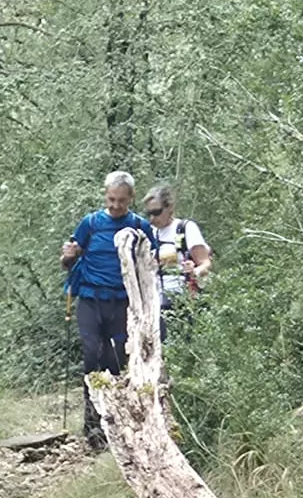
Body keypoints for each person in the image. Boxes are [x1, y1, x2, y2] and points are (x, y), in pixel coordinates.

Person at [62, 170, 157, 450]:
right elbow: (68, 259)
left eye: (122, 201)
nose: (116, 205)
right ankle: (92, 427)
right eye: (111, 199)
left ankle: (115, 423)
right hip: (90, 300)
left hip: (123, 302)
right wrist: (67, 256)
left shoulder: (139, 226)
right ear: (105, 196)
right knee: (92, 355)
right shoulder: (90, 223)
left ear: (131, 198)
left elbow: (150, 264)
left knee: (116, 362)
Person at [144, 183, 212, 322]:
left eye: (157, 212)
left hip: (186, 301)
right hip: (158, 303)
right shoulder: (150, 233)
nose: (152, 218)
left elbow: (206, 263)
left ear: (169, 208)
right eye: (149, 214)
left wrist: (195, 271)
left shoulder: (185, 228)